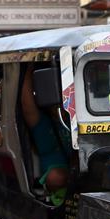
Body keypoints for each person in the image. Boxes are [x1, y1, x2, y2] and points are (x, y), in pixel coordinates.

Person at [21, 65, 70, 206]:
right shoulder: (43, 123)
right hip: (59, 180)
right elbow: (26, 104)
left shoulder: (80, 119)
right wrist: (29, 69)